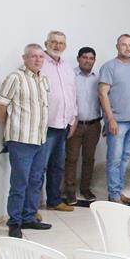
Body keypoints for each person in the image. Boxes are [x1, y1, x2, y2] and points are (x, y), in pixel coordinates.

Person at [0, 44, 53, 238]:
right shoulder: (15, 78)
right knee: (19, 182)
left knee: (36, 180)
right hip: (21, 139)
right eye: (33, 56)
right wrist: (10, 127)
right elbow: (1, 105)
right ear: (24, 58)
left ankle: (29, 217)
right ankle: (15, 222)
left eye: (40, 57)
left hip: (40, 138)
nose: (37, 60)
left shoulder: (43, 79)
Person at [99, 34, 130, 204]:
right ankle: (113, 195)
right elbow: (102, 94)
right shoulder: (109, 67)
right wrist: (110, 119)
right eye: (123, 45)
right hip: (117, 122)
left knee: (125, 158)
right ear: (117, 46)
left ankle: (118, 191)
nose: (127, 48)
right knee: (114, 159)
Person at [41, 30, 77, 212]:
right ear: (46, 43)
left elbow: (72, 93)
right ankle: (33, 208)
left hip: (64, 125)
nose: (57, 46)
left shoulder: (67, 67)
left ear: (65, 46)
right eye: (53, 42)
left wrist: (74, 117)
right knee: (39, 168)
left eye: (61, 43)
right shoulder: (40, 64)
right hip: (45, 126)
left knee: (57, 165)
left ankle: (54, 200)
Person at [63, 47, 101, 204]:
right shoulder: (70, 76)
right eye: (84, 57)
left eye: (91, 58)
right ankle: (70, 190)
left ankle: (85, 188)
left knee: (89, 158)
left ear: (94, 60)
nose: (88, 60)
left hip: (94, 124)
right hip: (75, 125)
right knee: (71, 158)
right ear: (78, 59)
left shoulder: (98, 78)